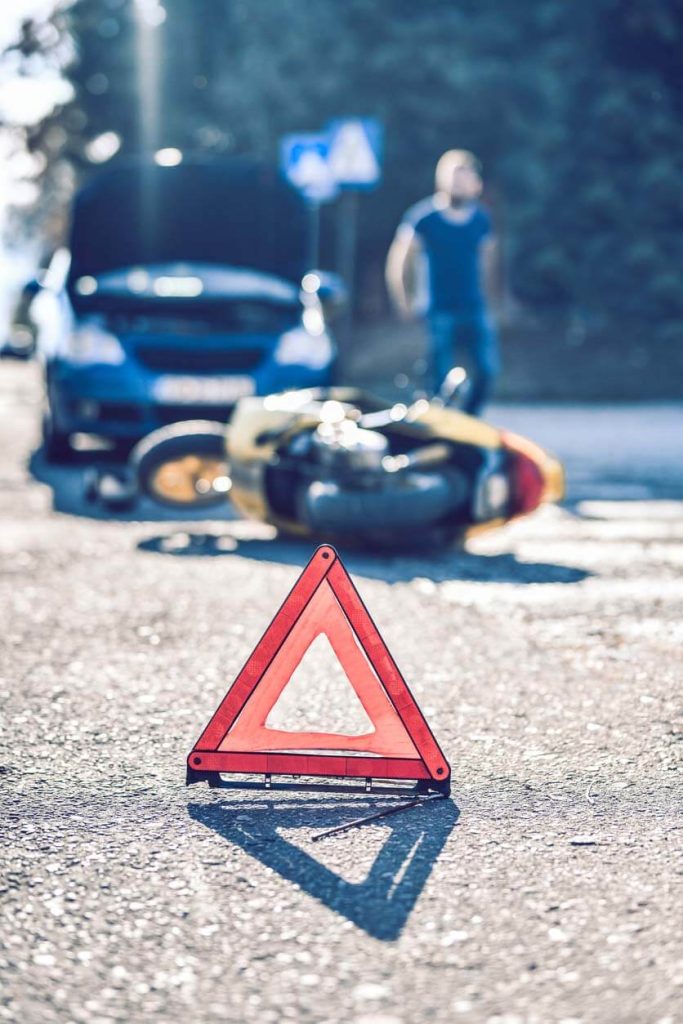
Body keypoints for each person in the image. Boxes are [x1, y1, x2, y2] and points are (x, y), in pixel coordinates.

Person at [385, 149, 500, 416]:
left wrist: (490, 298)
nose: (459, 184)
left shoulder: (481, 219)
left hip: (473, 306)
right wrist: (403, 299)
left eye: (465, 178)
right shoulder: (423, 219)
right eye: (454, 177)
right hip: (438, 308)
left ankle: (471, 418)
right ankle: (441, 422)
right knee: (439, 375)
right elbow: (400, 261)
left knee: (486, 369)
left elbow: (488, 261)